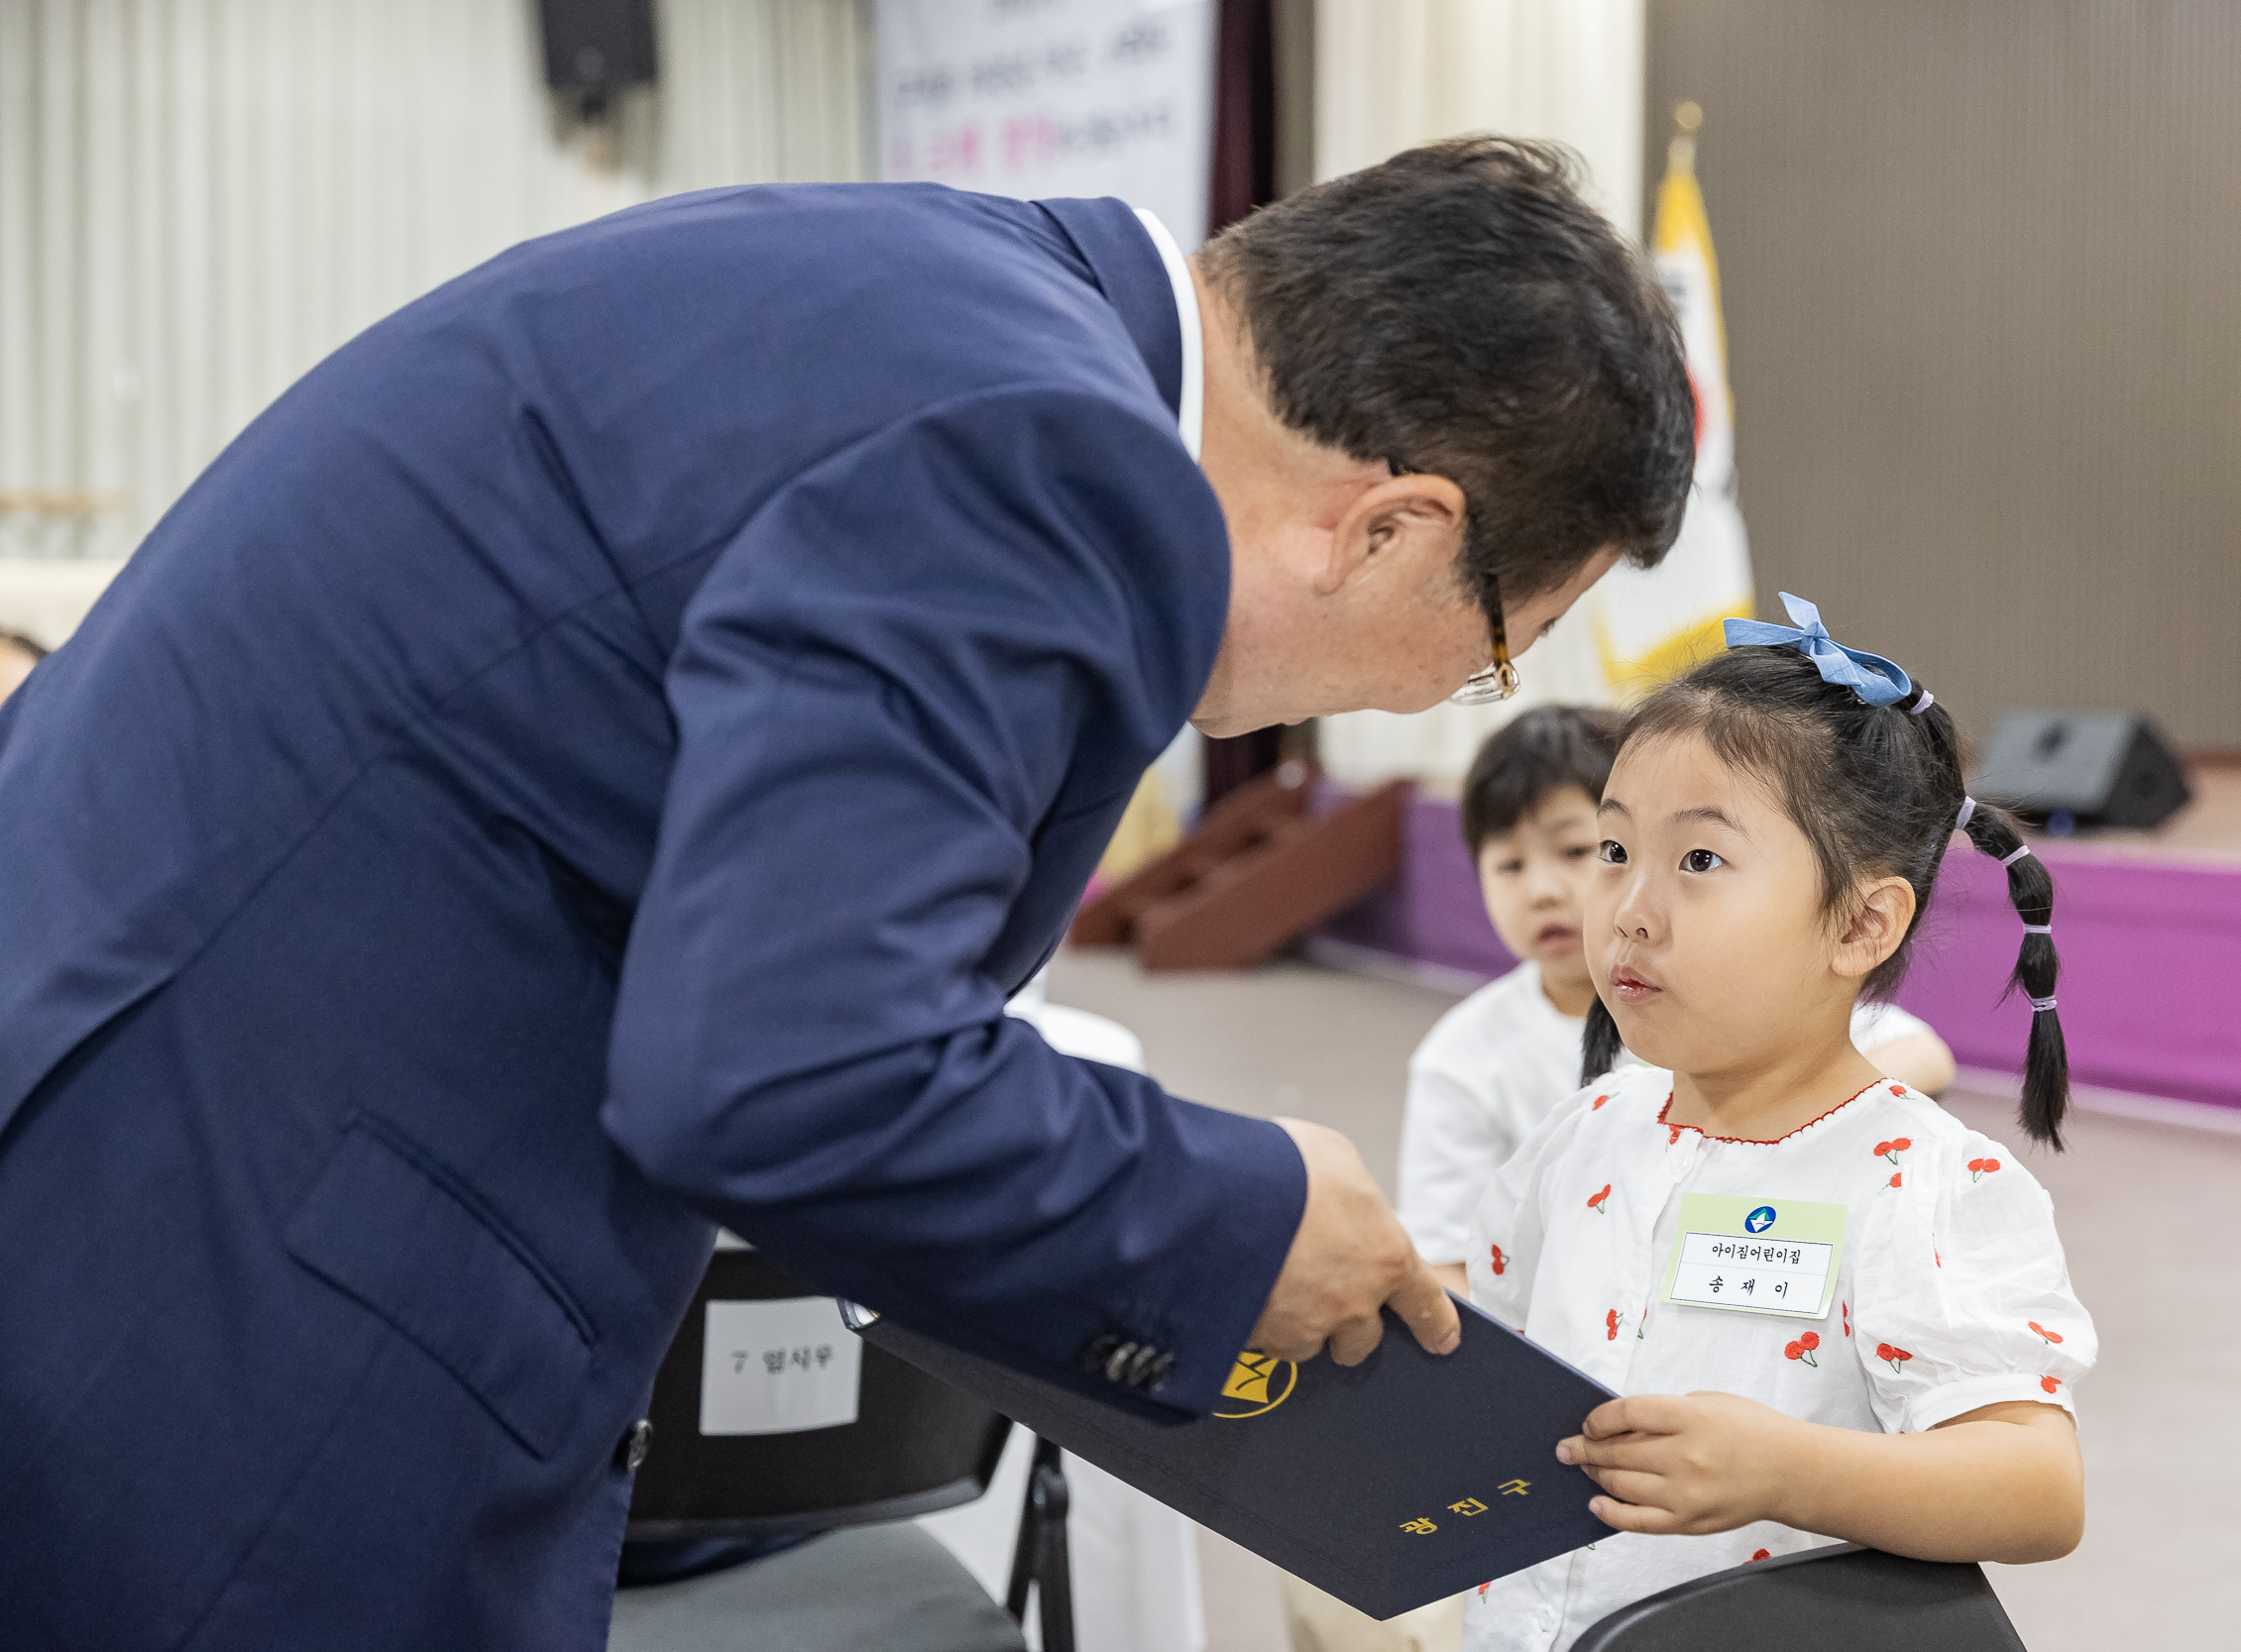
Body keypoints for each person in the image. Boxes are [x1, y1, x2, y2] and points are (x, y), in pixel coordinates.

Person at [0, 140, 1696, 1650]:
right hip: (246, 1294)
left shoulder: (948, 292)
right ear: (1392, 528)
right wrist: (1239, 1217)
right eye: (1491, 655)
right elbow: (789, 1062)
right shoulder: (1060, 464)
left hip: (152, 1127)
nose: (1422, 699)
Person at [1463, 600, 2090, 1650]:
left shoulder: (1917, 1182)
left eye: (1698, 861)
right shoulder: (1586, 1132)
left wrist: (1788, 1470)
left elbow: (2035, 1486)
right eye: (1612, 847)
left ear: (1859, 922)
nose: (1627, 907)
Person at [1398, 705, 1957, 1291]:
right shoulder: (1464, 1055)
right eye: (1509, 864)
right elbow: (1447, 1262)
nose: (1541, 891)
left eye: (1578, 851)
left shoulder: (1737, 1015)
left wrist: (1777, 1114)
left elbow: (1921, 1053)